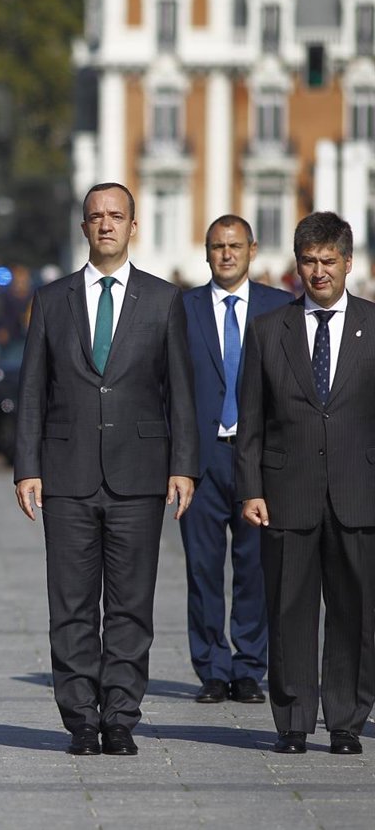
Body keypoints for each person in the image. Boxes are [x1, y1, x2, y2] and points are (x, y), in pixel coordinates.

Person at [13, 182, 198, 756]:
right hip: (65, 476)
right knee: (69, 604)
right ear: (84, 227)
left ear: (133, 226)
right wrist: (27, 467)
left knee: (129, 605)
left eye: (117, 216)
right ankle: (80, 720)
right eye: (96, 217)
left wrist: (183, 466)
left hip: (140, 476)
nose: (106, 225)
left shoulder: (164, 301)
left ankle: (120, 716)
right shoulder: (51, 300)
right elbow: (32, 390)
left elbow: (181, 393)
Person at [236, 211, 375, 755]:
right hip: (285, 494)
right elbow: (251, 417)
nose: (319, 273)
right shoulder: (270, 330)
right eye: (309, 262)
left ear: (348, 263)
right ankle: (292, 721)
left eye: (328, 262)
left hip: (357, 493)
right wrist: (250, 487)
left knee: (354, 611)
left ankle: (346, 721)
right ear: (297, 265)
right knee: (289, 609)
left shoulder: (372, 325)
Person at [179, 216, 292, 705]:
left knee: (255, 569)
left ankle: (249, 668)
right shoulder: (181, 309)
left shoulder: (279, 307)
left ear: (253, 250)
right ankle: (212, 668)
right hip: (200, 462)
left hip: (259, 462)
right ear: (206, 253)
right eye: (217, 247)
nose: (226, 254)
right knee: (203, 570)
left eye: (235, 246)